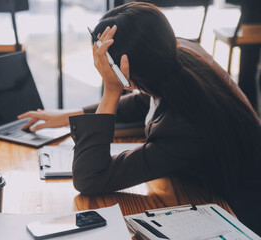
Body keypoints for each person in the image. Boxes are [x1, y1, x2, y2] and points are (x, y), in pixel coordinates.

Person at [18, 2, 261, 234]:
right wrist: (67, 116)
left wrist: (112, 89)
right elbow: (143, 99)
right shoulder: (177, 57)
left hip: (236, 216)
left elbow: (90, 178)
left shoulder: (183, 126)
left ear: (129, 76)